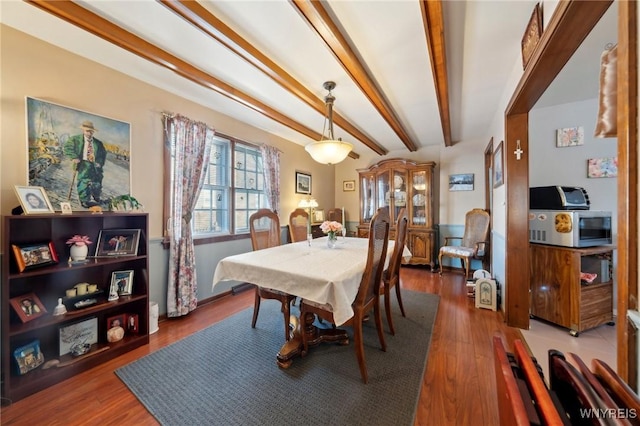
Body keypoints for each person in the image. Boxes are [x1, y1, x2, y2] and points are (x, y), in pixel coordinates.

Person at [63, 120, 107, 208]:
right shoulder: (75, 139)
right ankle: (84, 200)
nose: (89, 133)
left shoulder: (98, 143)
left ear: (93, 132)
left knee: (97, 182)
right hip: (83, 163)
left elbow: (103, 154)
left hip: (95, 165)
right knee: (83, 182)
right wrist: (74, 157)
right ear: (83, 130)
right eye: (87, 131)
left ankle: (96, 196)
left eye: (91, 131)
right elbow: (67, 148)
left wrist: (100, 163)